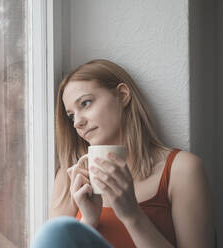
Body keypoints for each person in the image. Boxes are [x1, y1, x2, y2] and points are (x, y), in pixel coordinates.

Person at [33, 59, 214, 248]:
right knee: (55, 231)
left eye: (85, 103)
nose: (77, 122)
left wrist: (132, 215)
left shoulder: (182, 170)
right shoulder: (70, 177)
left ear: (122, 95)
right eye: (71, 115)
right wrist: (88, 221)